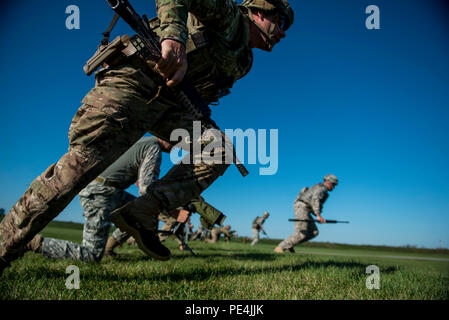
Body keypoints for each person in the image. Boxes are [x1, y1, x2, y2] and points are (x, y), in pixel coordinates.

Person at [0, 0, 294, 275]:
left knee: (219, 149)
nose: (282, 31)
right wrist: (173, 38)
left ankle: (142, 213)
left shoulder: (244, 59)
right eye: (280, 21)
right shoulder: (230, 17)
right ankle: (4, 247)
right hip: (138, 78)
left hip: (172, 103)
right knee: (78, 168)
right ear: (259, 12)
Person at [24, 137, 174, 262]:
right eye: (176, 141)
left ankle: (112, 245)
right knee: (91, 255)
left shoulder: (142, 141)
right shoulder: (153, 147)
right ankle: (33, 244)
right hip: (101, 192)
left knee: (134, 212)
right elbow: (146, 188)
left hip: (106, 189)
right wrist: (167, 209)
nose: (177, 146)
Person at [274, 174, 339, 253]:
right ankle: (281, 247)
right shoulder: (322, 189)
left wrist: (318, 216)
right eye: (334, 185)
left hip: (306, 209)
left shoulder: (319, 187)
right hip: (302, 207)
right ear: (329, 183)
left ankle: (290, 244)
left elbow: (313, 202)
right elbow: (315, 200)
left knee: (314, 232)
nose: (334, 187)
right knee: (302, 232)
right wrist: (318, 215)